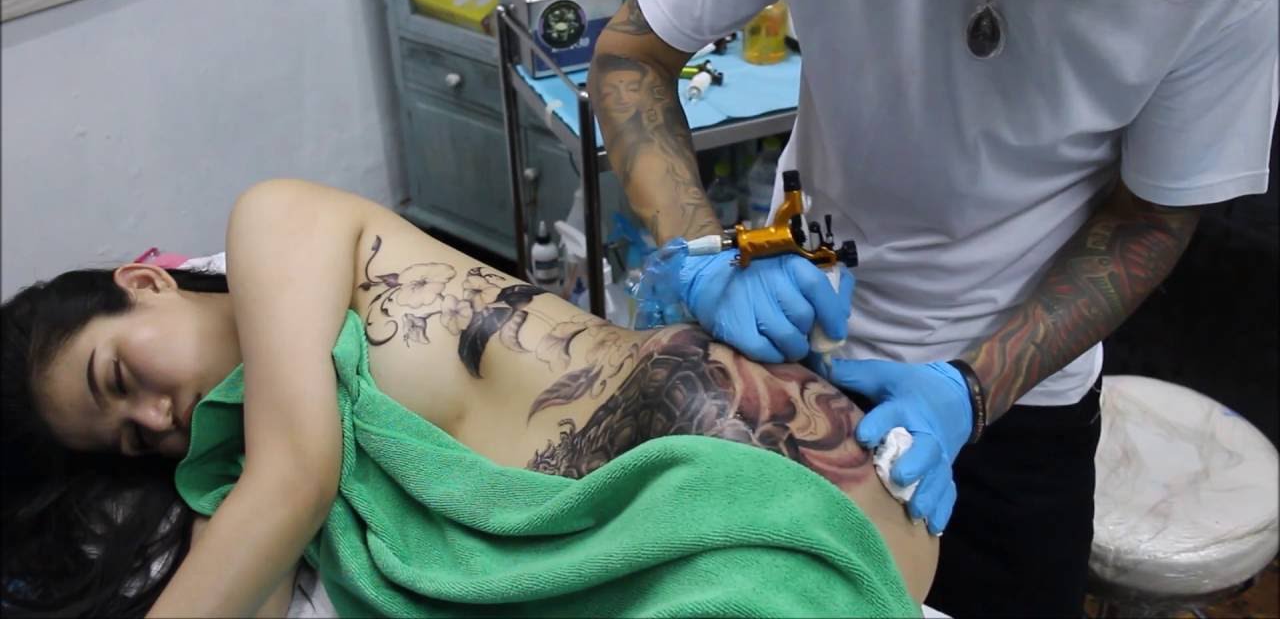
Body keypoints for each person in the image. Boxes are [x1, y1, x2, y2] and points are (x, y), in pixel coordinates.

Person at [588, 0, 1278, 616]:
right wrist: (704, 253)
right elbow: (634, 56)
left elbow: (1151, 219)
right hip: (784, 365)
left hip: (1018, 409)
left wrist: (972, 391)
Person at [2, 179, 935, 617]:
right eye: (132, 441)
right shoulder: (237, 466)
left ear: (148, 281)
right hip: (720, 561)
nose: (155, 419)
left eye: (118, 377)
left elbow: (294, 481)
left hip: (777, 504)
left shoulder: (275, 221)